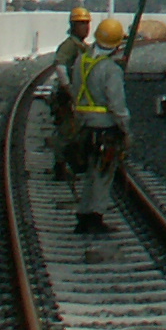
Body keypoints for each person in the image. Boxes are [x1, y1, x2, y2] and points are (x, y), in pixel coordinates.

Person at [69, 16, 133, 234]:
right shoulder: (111, 69)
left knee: (90, 173)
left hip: (85, 126)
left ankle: (83, 215)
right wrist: (125, 129)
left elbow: (75, 90)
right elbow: (117, 104)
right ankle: (95, 217)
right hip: (106, 129)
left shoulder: (82, 61)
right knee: (103, 174)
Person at [47, 5, 92, 182]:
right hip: (67, 97)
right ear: (73, 26)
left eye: (87, 23)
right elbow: (60, 67)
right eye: (81, 23)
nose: (85, 27)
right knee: (66, 132)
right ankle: (60, 167)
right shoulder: (69, 46)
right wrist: (70, 90)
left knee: (73, 132)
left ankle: (68, 165)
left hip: (76, 95)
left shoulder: (82, 47)